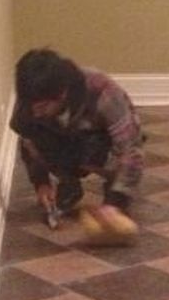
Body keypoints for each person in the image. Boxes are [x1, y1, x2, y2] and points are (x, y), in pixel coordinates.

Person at [10, 48, 144, 235]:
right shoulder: (32, 98)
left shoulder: (103, 92)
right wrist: (41, 183)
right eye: (31, 106)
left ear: (62, 94)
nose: (35, 113)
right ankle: (69, 182)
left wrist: (115, 202)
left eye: (42, 107)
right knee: (39, 134)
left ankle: (114, 187)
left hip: (100, 139)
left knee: (99, 152)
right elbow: (28, 140)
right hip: (66, 137)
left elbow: (131, 150)